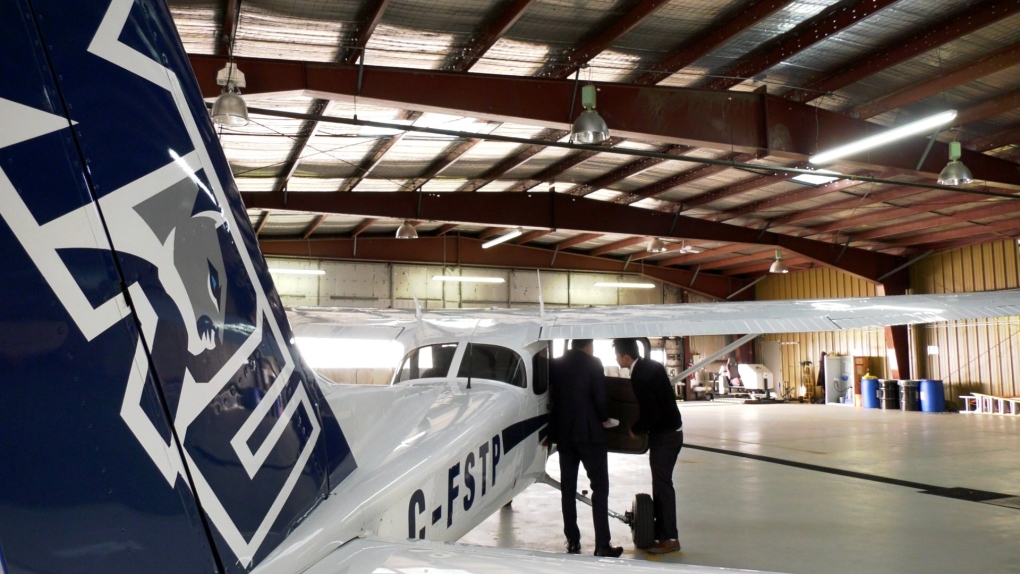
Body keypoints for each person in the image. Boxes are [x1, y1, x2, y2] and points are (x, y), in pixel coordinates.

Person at [548, 339, 623, 558]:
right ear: (589, 346)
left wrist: (551, 433)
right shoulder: (593, 363)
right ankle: (602, 544)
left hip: (564, 435)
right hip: (590, 433)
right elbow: (599, 396)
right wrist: (605, 418)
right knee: (599, 488)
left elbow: (553, 398)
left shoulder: (556, 364)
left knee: (567, 488)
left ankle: (572, 540)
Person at [613, 338, 683, 555]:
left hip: (665, 436)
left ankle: (671, 538)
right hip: (671, 432)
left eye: (617, 355)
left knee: (663, 486)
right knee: (660, 484)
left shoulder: (640, 375)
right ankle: (662, 533)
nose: (616, 359)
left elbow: (652, 411)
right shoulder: (651, 366)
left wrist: (636, 429)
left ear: (626, 357)